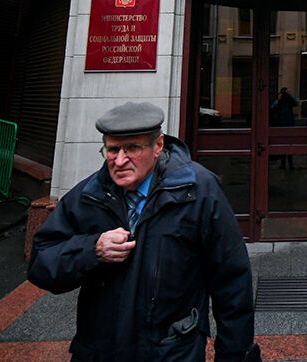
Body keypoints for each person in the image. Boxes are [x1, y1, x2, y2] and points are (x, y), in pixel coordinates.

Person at [28, 102, 256, 361]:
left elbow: (231, 278)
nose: (120, 161)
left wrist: (233, 354)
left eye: (132, 148)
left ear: (158, 146)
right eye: (112, 150)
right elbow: (41, 263)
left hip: (172, 352)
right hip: (101, 352)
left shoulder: (198, 191)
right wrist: (91, 250)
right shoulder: (89, 195)